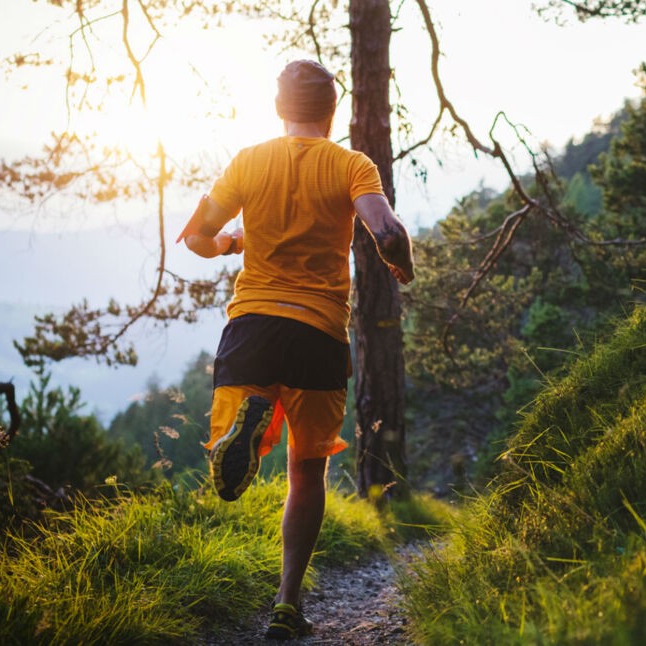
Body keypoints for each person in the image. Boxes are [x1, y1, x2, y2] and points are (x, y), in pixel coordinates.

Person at [180, 59, 415, 641]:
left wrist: (234, 240)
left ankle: (242, 431)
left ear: (281, 108)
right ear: (331, 110)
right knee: (307, 472)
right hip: (317, 332)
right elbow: (386, 231)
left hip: (253, 324)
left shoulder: (248, 160)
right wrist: (401, 264)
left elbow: (195, 237)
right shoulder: (350, 164)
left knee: (241, 416)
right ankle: (287, 603)